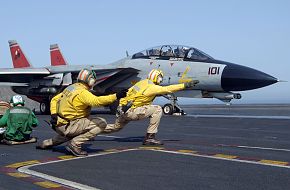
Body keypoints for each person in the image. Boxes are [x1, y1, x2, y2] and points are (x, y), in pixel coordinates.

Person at [36, 68, 128, 157]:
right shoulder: (83, 92)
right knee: (101, 123)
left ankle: (46, 143)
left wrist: (54, 114)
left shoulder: (71, 87)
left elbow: (55, 99)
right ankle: (75, 144)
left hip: (59, 124)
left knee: (77, 128)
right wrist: (116, 96)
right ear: (90, 80)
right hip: (69, 126)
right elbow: (97, 101)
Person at [104, 69, 198, 145]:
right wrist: (184, 85)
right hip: (133, 111)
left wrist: (120, 106)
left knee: (115, 127)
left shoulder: (141, 83)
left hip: (123, 110)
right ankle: (150, 138)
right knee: (157, 109)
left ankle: (91, 131)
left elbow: (127, 94)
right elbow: (167, 89)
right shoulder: (152, 87)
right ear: (156, 77)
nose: (161, 80)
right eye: (160, 77)